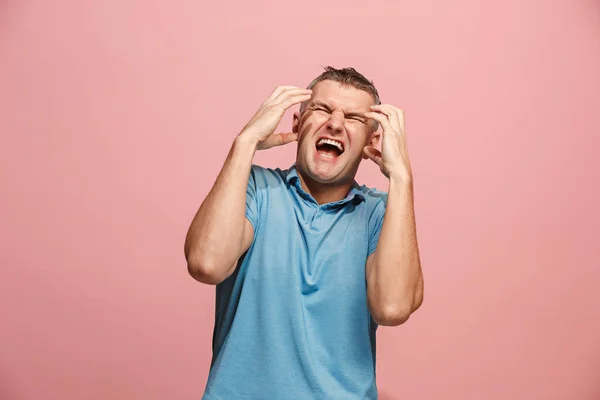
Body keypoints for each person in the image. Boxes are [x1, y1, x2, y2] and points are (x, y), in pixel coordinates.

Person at [184, 66, 424, 399]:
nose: (335, 123)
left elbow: (393, 308)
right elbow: (206, 263)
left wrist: (402, 177)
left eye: (353, 118)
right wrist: (245, 142)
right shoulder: (255, 188)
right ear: (297, 124)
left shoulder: (379, 213)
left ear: (373, 142)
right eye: (322, 109)